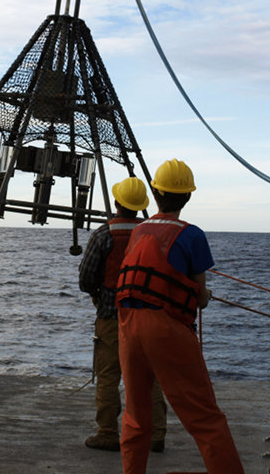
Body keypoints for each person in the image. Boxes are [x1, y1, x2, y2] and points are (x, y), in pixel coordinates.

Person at [116, 159, 244, 474]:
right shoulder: (192, 235)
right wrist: (203, 297)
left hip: (128, 327)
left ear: (155, 193)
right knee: (205, 418)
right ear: (187, 197)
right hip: (167, 329)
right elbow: (200, 296)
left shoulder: (139, 230)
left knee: (135, 414)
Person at [79, 177, 167, 453]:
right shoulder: (152, 235)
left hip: (110, 316)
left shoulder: (104, 234)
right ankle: (155, 436)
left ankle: (107, 432)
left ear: (117, 203)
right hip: (148, 318)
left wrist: (98, 293)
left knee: (108, 375)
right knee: (148, 377)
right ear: (142, 205)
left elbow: (85, 279)